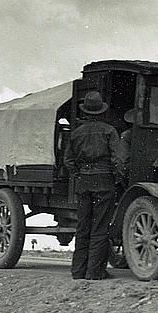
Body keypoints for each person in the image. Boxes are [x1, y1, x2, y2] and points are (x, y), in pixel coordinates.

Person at [64, 91, 127, 280]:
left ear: (85, 112)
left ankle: (78, 271)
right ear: (101, 112)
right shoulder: (109, 131)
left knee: (83, 226)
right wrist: (117, 177)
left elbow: (68, 160)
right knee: (100, 227)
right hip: (104, 181)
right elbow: (118, 160)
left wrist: (79, 174)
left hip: (83, 182)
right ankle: (95, 272)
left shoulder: (77, 133)